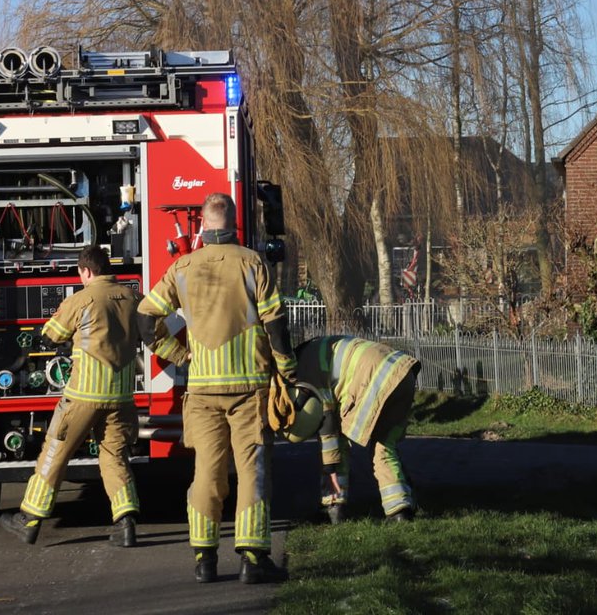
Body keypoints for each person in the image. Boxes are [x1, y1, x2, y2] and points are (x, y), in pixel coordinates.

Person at [138, 192, 297, 585]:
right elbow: (275, 324)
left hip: (203, 390)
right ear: (234, 223)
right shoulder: (253, 262)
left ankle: (204, 559)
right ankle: (252, 559)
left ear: (204, 226)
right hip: (249, 389)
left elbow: (145, 317)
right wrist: (287, 370)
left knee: (207, 473)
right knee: (252, 471)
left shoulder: (182, 267)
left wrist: (177, 354)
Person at [0, 245, 142, 546]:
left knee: (56, 451)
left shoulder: (80, 299)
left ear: (86, 271)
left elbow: (51, 335)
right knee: (114, 457)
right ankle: (126, 522)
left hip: (83, 397)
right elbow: (157, 334)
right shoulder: (133, 298)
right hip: (121, 398)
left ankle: (29, 518)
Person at [290, 334, 421, 524]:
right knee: (385, 446)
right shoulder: (321, 346)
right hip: (403, 373)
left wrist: (329, 463)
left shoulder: (306, 368)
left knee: (338, 443)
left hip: (375, 380)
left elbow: (327, 423)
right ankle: (400, 509)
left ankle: (333, 506)